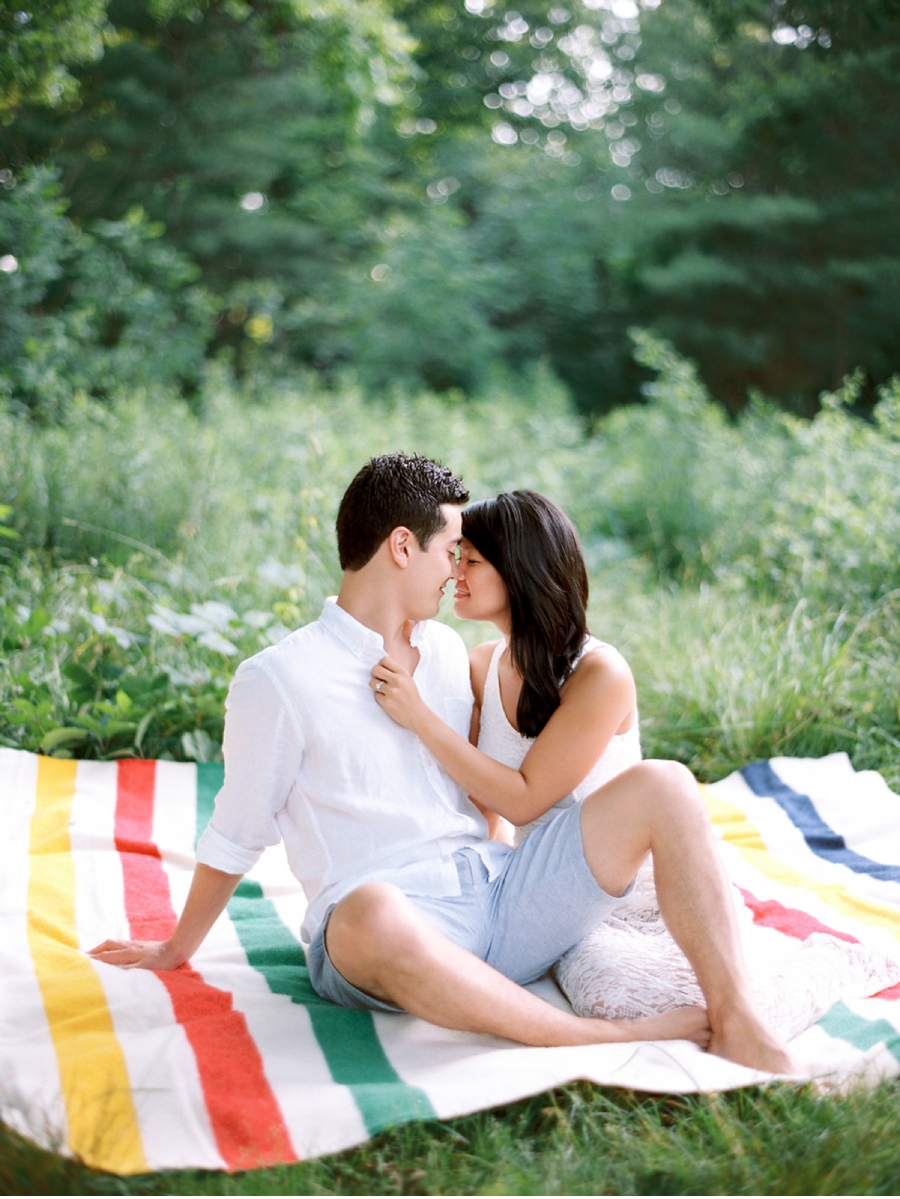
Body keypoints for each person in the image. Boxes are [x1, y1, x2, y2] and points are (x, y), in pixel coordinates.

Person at [89, 454, 792, 1071]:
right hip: (386, 927)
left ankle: (738, 1018)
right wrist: (178, 947)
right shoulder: (280, 679)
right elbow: (237, 829)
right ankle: (595, 1035)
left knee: (664, 782)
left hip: (498, 892)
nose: (457, 569)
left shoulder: (453, 656)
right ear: (402, 545)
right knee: (366, 912)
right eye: (451, 549)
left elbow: (493, 793)